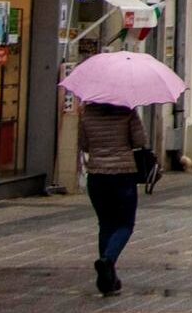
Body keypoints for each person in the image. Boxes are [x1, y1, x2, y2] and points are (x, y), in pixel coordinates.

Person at [78, 101, 149, 296]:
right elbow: (140, 141)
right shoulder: (127, 110)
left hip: (97, 175)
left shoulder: (88, 112)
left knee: (106, 224)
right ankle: (108, 260)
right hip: (123, 174)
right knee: (125, 224)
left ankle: (108, 281)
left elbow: (84, 144)